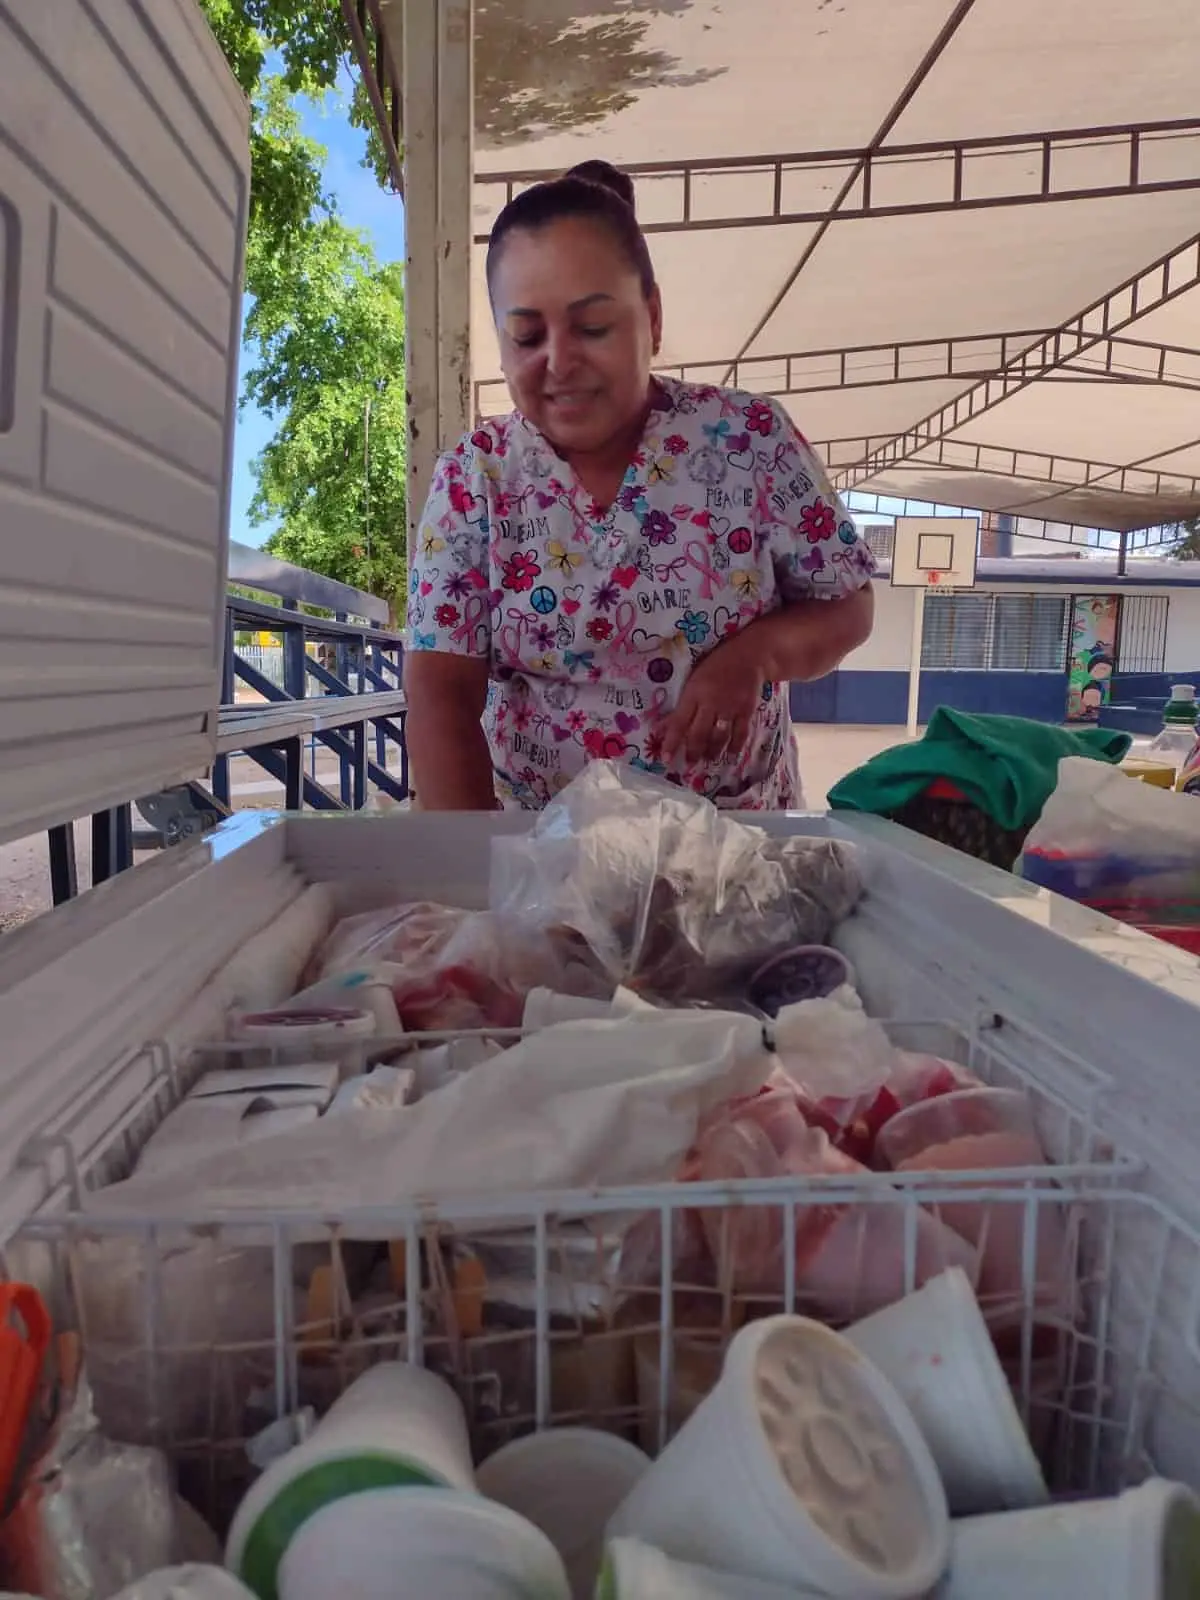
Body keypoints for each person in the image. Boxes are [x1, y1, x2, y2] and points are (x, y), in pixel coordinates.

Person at [404, 159, 876, 811]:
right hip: (546, 861)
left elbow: (847, 605)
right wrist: (483, 885)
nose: (560, 362)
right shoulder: (473, 480)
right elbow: (439, 690)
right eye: (526, 335)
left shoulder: (751, 441)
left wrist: (756, 656)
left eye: (592, 327)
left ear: (651, 317)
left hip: (737, 848)